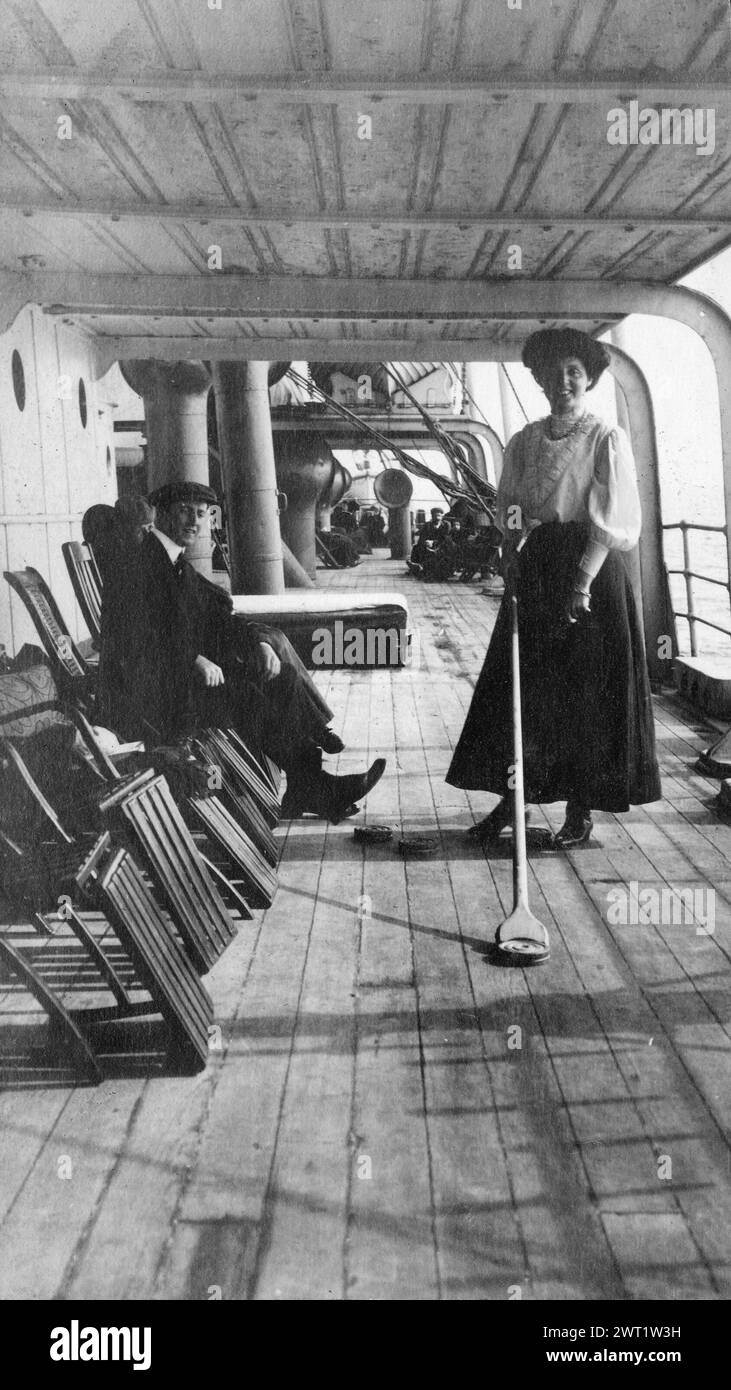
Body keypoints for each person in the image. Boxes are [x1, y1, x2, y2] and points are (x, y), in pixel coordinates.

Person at [446, 327, 661, 848]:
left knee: (586, 692)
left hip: (591, 567)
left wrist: (582, 583)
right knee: (522, 686)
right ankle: (511, 801)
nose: (563, 380)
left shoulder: (605, 437)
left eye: (574, 372)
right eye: (553, 372)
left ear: (587, 379)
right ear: (540, 379)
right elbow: (513, 506)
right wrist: (509, 551)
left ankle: (580, 811)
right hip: (539, 566)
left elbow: (611, 518)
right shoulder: (522, 441)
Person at [98, 481, 385, 824]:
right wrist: (194, 658)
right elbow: (136, 637)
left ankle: (310, 788)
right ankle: (312, 789)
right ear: (161, 515)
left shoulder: (172, 561)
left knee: (282, 676)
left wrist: (259, 643)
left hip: (172, 680)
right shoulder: (143, 563)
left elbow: (218, 615)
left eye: (202, 514)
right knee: (258, 695)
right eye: (185, 511)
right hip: (152, 692)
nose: (194, 521)